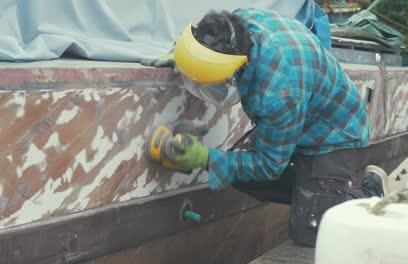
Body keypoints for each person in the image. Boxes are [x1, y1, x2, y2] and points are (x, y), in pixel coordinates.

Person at [144, 7, 388, 247]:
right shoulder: (233, 27)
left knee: (310, 231)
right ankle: (317, 195)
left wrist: (205, 158)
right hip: (299, 106)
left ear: (236, 68)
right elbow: (204, 39)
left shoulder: (277, 93)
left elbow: (268, 165)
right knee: (242, 174)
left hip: (332, 130)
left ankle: (369, 192)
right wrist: (181, 54)